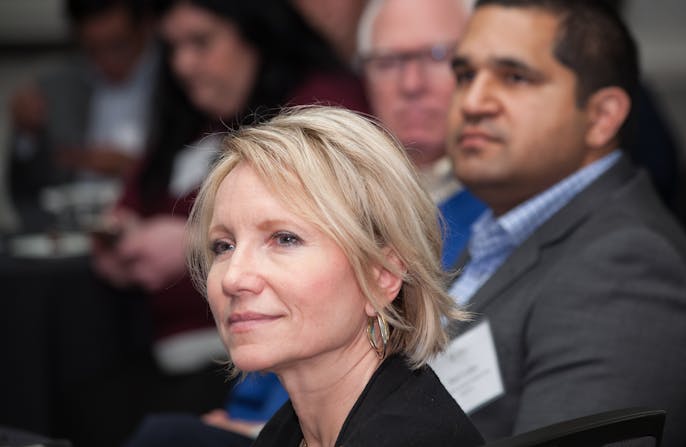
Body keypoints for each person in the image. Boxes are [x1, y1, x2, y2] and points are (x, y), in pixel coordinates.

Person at [69, 1, 368, 445]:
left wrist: (197, 243)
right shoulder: (189, 115)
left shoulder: (318, 109)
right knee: (75, 399)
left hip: (260, 362)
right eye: (172, 48)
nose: (183, 63)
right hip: (166, 349)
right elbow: (130, 200)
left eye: (201, 42)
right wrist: (118, 240)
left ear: (256, 35)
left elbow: (327, 227)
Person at [443, 1, 686, 446]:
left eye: (515, 77)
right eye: (465, 76)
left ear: (601, 117)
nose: (474, 102)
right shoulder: (500, 228)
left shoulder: (630, 271)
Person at [186, 105, 485, 447]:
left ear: (382, 276)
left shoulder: (412, 438)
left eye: (285, 239)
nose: (233, 278)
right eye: (223, 246)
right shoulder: (287, 432)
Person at [357, 0, 485, 269]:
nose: (411, 84)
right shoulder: (341, 197)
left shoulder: (513, 198)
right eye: (387, 62)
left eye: (438, 56)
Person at [8, 0, 158, 222]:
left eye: (118, 45)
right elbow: (26, 194)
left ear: (146, 27)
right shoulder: (56, 87)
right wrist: (26, 136)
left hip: (154, 224)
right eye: (92, 49)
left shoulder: (179, 80)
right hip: (71, 228)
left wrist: (138, 169)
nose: (106, 60)